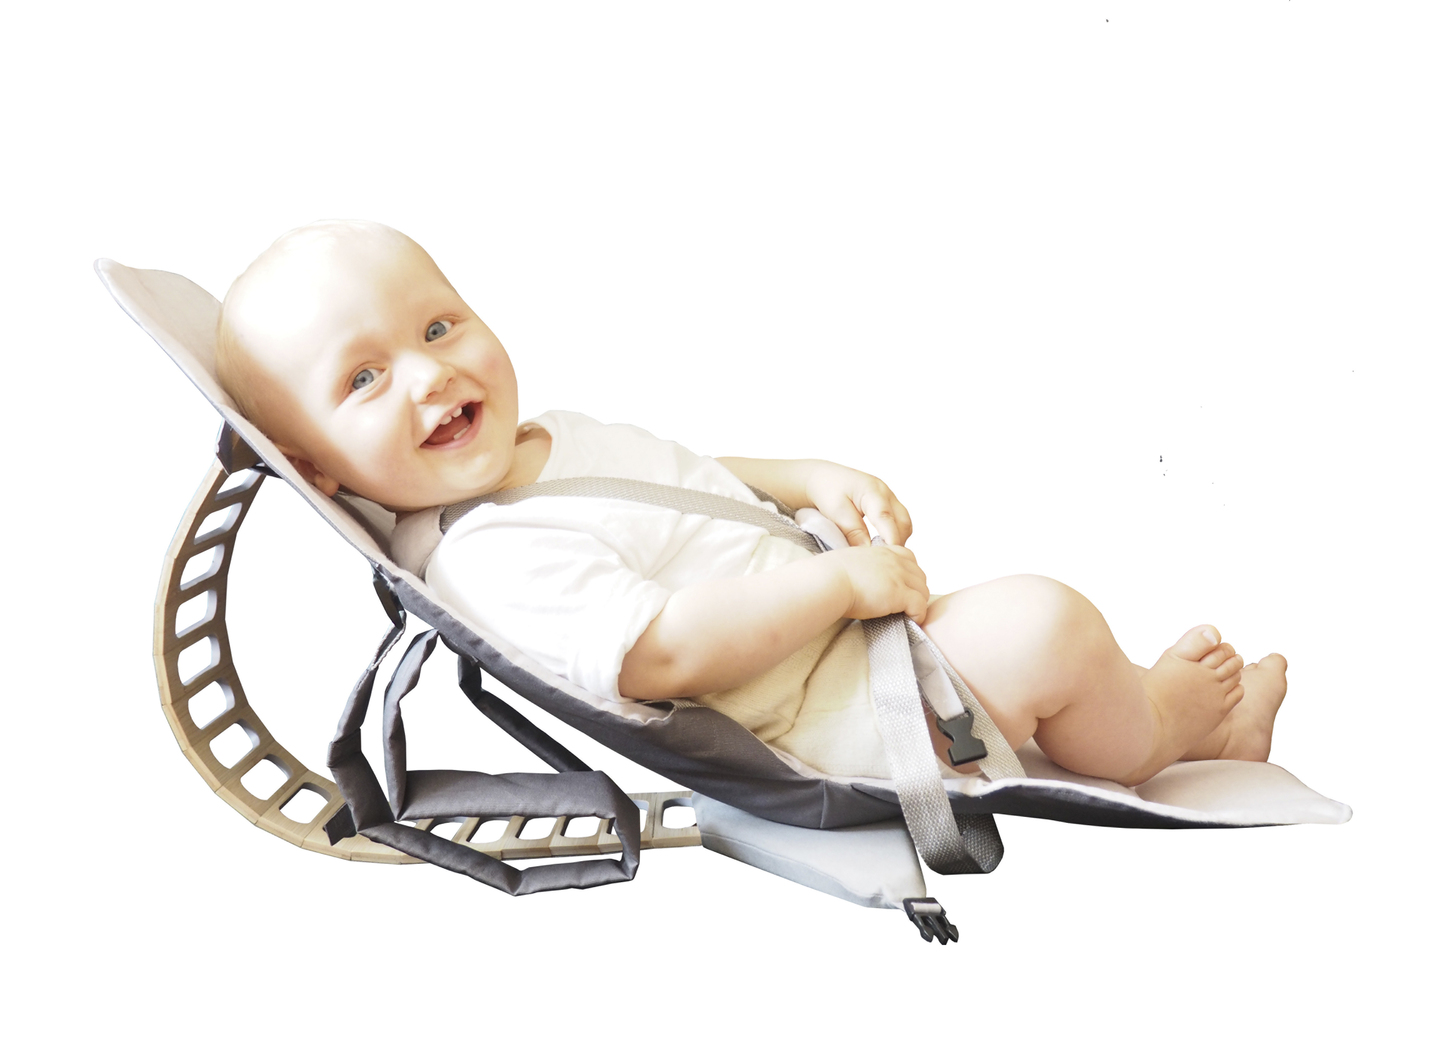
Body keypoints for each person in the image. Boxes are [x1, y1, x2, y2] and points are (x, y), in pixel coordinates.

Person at [215, 219, 1288, 786]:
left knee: (1023, 633)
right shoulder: (486, 555)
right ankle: (1165, 732)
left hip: (846, 643)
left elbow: (677, 477)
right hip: (832, 714)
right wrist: (836, 588)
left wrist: (802, 479)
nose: (429, 372)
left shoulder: (534, 449)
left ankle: (1127, 706)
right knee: (1044, 625)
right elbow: (660, 652)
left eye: (439, 326)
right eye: (364, 379)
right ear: (317, 468)